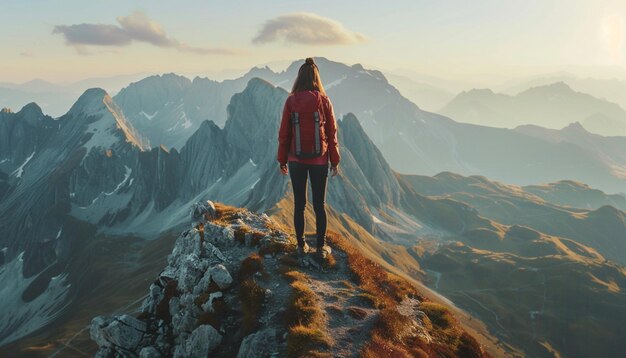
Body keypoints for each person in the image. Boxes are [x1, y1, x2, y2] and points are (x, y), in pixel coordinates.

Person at [277, 57, 340, 260]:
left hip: (296, 160)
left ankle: (300, 245)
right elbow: (332, 133)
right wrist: (335, 160)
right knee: (319, 205)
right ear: (316, 78)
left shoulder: (290, 101)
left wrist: (282, 160)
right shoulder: (324, 101)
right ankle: (321, 248)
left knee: (299, 204)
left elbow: (284, 133)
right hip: (319, 161)